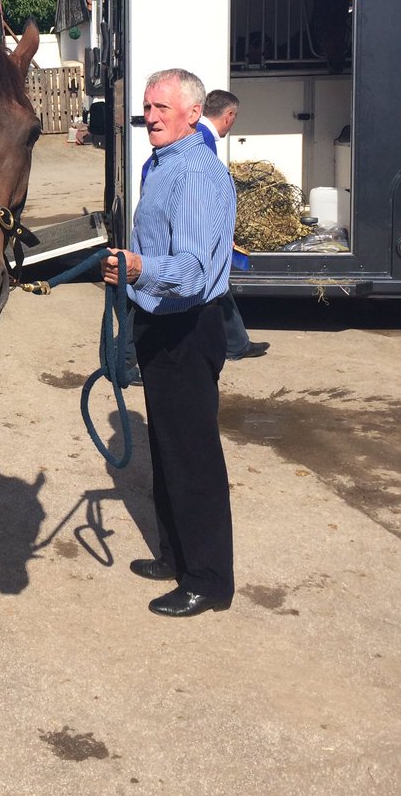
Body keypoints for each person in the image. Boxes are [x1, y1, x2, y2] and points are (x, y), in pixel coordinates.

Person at [101, 69, 236, 617]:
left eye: (161, 107)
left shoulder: (200, 174)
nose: (150, 116)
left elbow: (195, 271)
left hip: (188, 325)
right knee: (165, 448)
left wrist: (138, 269)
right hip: (157, 320)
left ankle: (209, 579)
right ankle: (176, 555)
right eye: (147, 106)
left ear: (192, 114)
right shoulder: (161, 163)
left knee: (193, 456)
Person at [199, 90, 269, 361]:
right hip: (203, 231)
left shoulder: (201, 136)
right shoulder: (204, 141)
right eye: (234, 118)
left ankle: (237, 344)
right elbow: (203, 192)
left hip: (205, 230)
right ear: (229, 116)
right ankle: (124, 357)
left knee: (219, 287)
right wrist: (217, 232)